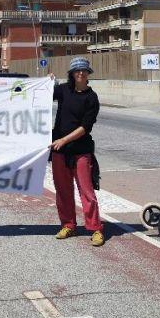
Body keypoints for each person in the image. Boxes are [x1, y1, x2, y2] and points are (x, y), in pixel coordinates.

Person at [50, 57, 105, 246]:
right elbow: (42, 95)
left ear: (88, 74)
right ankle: (68, 225)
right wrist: (48, 82)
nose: (80, 73)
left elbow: (85, 127)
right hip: (59, 152)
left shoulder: (92, 98)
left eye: (83, 70)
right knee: (63, 191)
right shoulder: (63, 90)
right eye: (77, 70)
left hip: (81, 151)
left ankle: (96, 228)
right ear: (72, 74)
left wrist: (64, 140)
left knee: (87, 192)